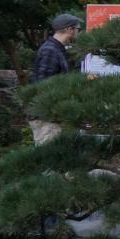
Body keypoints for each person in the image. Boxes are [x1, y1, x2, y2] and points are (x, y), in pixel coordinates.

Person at [29, 13, 81, 144]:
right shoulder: (50, 50)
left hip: (53, 114)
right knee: (48, 159)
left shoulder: (57, 49)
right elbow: (42, 85)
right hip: (45, 115)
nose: (79, 32)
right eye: (78, 29)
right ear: (70, 29)